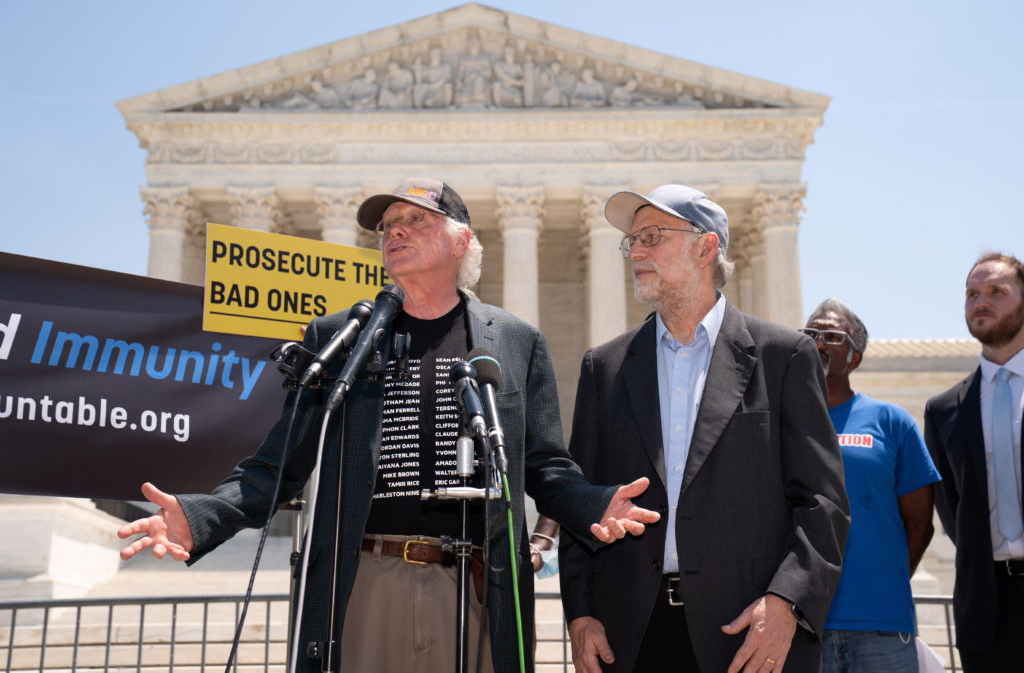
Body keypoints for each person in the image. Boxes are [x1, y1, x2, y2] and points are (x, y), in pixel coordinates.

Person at [117, 177, 660, 673]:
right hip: (364, 581)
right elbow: (278, 464)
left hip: (476, 587)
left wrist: (592, 504)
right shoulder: (341, 337)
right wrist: (202, 516)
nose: (395, 234)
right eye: (387, 228)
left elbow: (541, 464)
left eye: (415, 221)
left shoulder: (515, 340)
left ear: (460, 240)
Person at [559, 183, 850, 673]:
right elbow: (580, 499)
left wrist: (787, 603)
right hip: (631, 635)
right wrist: (581, 613)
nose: (637, 251)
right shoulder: (604, 367)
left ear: (706, 246)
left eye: (653, 235)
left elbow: (822, 502)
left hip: (748, 632)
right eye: (633, 240)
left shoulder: (784, 357)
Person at [802, 298, 940, 672]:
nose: (817, 343)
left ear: (855, 358)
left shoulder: (891, 422)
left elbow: (920, 524)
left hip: (882, 626)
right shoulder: (783, 424)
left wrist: (884, 581)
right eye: (809, 334)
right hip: (803, 626)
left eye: (831, 336)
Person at [924, 252, 1024, 671]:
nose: (981, 301)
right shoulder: (944, 409)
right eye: (972, 293)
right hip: (986, 607)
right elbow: (951, 508)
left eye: (996, 291)